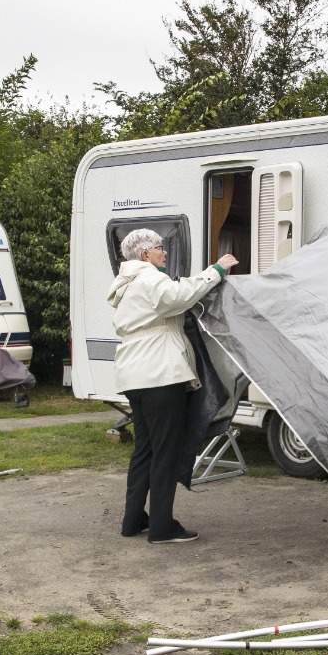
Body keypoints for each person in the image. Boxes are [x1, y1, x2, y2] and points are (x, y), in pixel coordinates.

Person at [108, 228, 239, 543]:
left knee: (145, 450)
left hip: (134, 376)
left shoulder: (127, 283)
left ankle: (133, 520)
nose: (164, 252)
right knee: (166, 451)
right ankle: (162, 527)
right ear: (145, 254)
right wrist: (216, 270)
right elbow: (179, 296)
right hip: (160, 374)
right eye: (159, 247)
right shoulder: (150, 278)